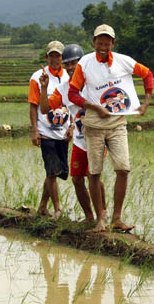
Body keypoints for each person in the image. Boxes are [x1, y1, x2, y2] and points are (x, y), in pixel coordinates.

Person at [68, 24, 153, 232]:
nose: (103, 46)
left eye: (107, 42)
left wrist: (146, 102)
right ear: (94, 42)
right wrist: (94, 107)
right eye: (100, 42)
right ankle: (100, 220)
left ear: (113, 43)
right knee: (94, 173)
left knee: (123, 168)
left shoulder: (124, 61)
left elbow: (147, 74)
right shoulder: (85, 64)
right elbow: (72, 94)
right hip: (94, 125)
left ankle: (116, 217)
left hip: (117, 124)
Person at [40, 44, 107, 223]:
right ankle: (89, 216)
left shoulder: (94, 83)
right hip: (79, 140)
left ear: (82, 64)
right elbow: (45, 108)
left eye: (74, 64)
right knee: (77, 179)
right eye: (67, 64)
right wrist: (44, 88)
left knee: (94, 176)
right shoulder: (63, 89)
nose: (70, 68)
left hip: (98, 137)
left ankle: (103, 213)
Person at [28, 41, 70, 219]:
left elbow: (73, 103)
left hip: (63, 131)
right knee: (52, 171)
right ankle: (58, 209)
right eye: (52, 55)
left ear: (63, 57)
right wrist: (35, 131)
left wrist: (72, 127)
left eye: (58, 55)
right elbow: (33, 106)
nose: (55, 58)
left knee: (56, 171)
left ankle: (43, 206)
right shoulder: (38, 77)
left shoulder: (70, 76)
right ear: (46, 57)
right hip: (46, 132)